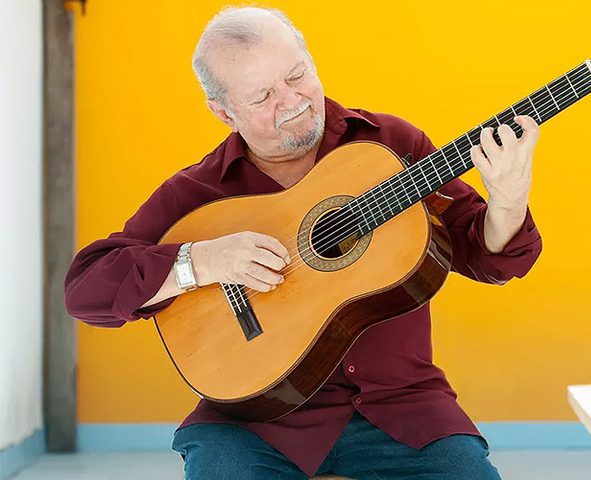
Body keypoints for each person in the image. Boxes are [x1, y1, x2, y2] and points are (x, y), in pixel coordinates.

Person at [64, 6, 542, 480]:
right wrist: (201, 261)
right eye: (263, 96)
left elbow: (486, 259)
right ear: (224, 112)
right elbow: (85, 290)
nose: (293, 101)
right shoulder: (195, 193)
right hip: (252, 424)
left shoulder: (390, 145)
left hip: (400, 408)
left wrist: (509, 199)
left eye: (298, 75)